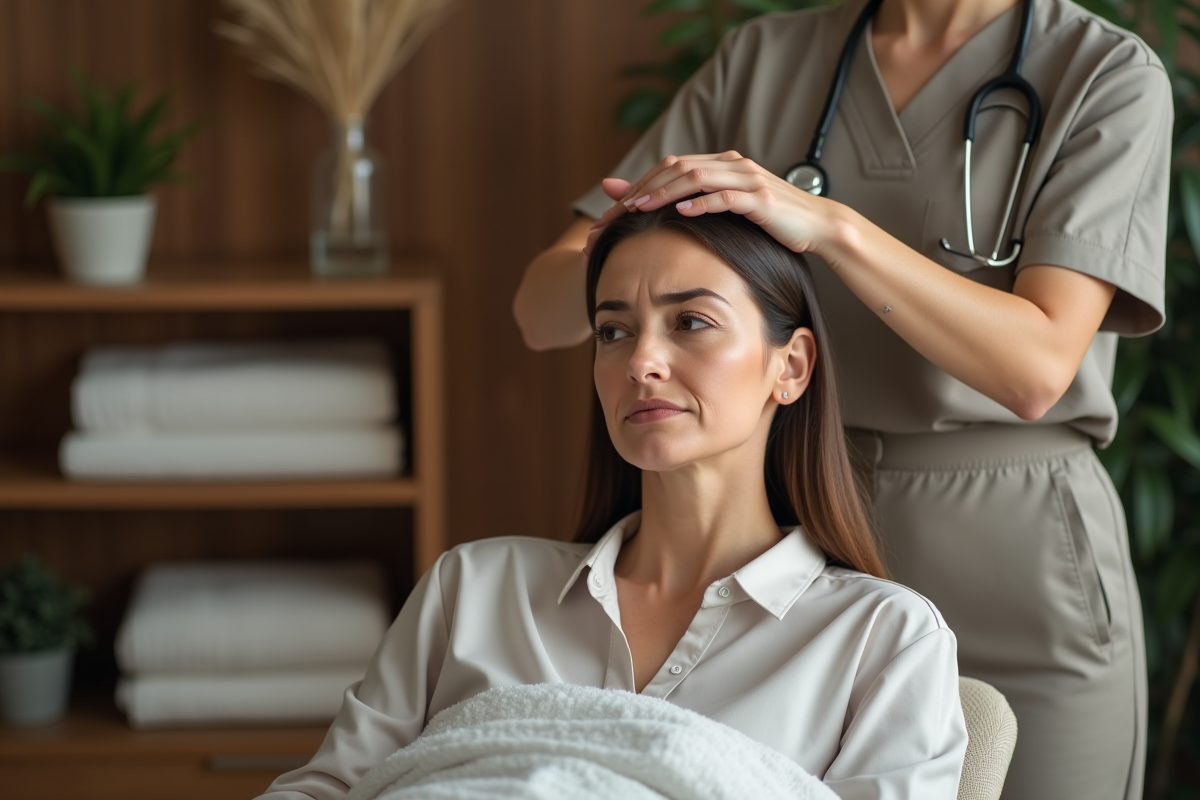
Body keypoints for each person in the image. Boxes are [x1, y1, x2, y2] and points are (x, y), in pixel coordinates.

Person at [512, 0, 1170, 797]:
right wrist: (630, 238)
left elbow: (1035, 369)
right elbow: (540, 312)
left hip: (1019, 553)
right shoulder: (766, 59)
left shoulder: (1103, 71)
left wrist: (828, 227)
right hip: (794, 536)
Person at [260, 208, 969, 800]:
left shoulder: (884, 639)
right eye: (614, 329)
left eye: (690, 322)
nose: (640, 361)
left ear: (791, 367)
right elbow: (327, 790)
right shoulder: (473, 588)